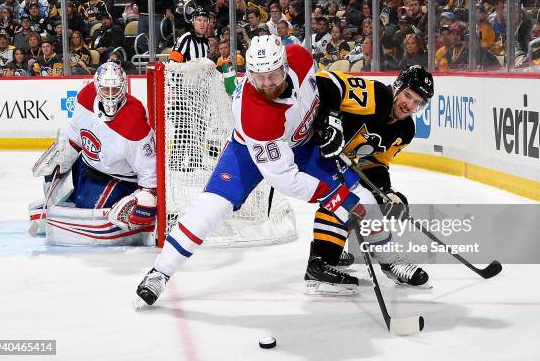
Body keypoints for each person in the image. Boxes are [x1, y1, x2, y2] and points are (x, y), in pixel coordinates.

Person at [134, 36, 371, 307]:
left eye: (273, 75)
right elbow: (284, 178)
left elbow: (322, 87)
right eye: (259, 78)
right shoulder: (255, 115)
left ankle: (390, 260)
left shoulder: (301, 58)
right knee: (210, 208)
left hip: (303, 143)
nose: (267, 84)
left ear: (285, 64)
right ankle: (160, 272)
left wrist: (330, 119)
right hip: (248, 151)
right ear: (249, 74)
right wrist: (331, 195)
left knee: (363, 198)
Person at [308, 65, 435, 291]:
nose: (410, 106)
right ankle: (320, 267)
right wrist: (332, 119)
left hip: (336, 164)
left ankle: (330, 252)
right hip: (309, 152)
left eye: (418, 103)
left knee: (374, 198)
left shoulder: (405, 130)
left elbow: (376, 162)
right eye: (408, 96)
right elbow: (323, 81)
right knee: (347, 197)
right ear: (397, 87)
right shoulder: (375, 95)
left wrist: (386, 191)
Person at [28, 62, 157, 244]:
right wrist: (62, 156)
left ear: (123, 88)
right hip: (87, 165)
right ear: (97, 86)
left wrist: (146, 198)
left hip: (119, 179)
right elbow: (76, 134)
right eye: (106, 89)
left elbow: (150, 174)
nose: (111, 95)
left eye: (115, 90)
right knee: (54, 176)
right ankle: (68, 201)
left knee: (90, 206)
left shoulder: (135, 123)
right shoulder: (86, 96)